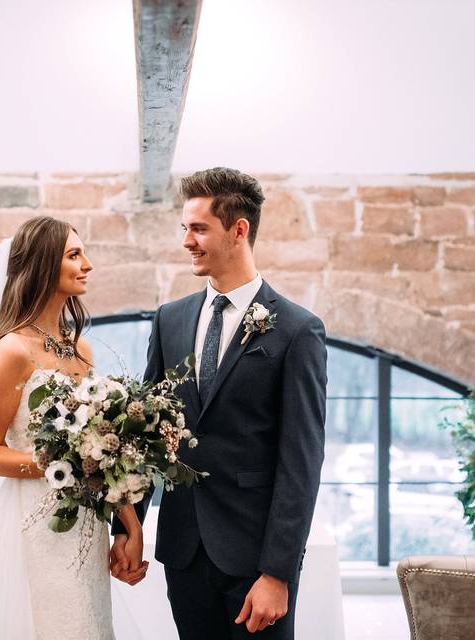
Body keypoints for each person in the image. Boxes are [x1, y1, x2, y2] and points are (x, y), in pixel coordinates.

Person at [111, 167, 328, 638]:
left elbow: (302, 462)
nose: (186, 240)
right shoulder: (170, 320)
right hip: (184, 551)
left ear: (239, 230)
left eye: (199, 228)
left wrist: (278, 573)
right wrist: (127, 527)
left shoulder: (296, 330)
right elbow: (146, 435)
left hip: (256, 559)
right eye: (184, 228)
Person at [0, 215, 146, 639]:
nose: (88, 264)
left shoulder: (80, 348)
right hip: (34, 525)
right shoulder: (12, 349)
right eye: (74, 255)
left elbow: (101, 450)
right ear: (45, 265)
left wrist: (131, 527)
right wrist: (61, 463)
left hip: (87, 523)